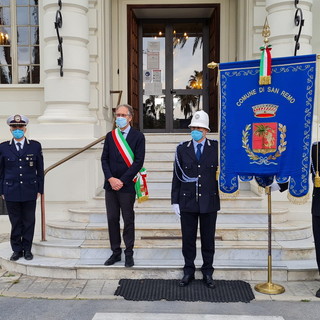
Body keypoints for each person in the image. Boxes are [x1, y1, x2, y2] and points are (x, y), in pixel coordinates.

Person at [171, 110, 220, 288]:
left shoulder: (216, 148)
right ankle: (188, 271)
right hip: (187, 201)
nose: (195, 130)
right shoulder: (182, 149)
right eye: (193, 127)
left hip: (209, 201)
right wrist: (174, 201)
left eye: (199, 128)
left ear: (206, 130)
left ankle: (207, 272)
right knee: (188, 239)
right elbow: (176, 176)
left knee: (208, 240)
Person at [101, 104, 145, 267]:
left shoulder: (138, 137)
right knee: (112, 218)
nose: (119, 118)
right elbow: (104, 159)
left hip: (127, 186)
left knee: (128, 219)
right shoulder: (110, 136)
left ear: (130, 118)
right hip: (111, 185)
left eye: (123, 115)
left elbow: (138, 162)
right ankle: (115, 252)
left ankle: (129, 252)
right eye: (117, 115)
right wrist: (111, 178)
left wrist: (122, 180)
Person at [0, 114, 44, 261]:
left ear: (25, 128)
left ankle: (27, 249)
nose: (17, 129)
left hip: (30, 190)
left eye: (20, 127)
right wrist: (2, 191)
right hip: (10, 190)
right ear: (10, 129)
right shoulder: (4, 147)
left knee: (29, 221)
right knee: (15, 222)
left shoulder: (35, 146)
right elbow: (1, 172)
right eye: (14, 127)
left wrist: (40, 189)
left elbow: (40, 170)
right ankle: (16, 250)